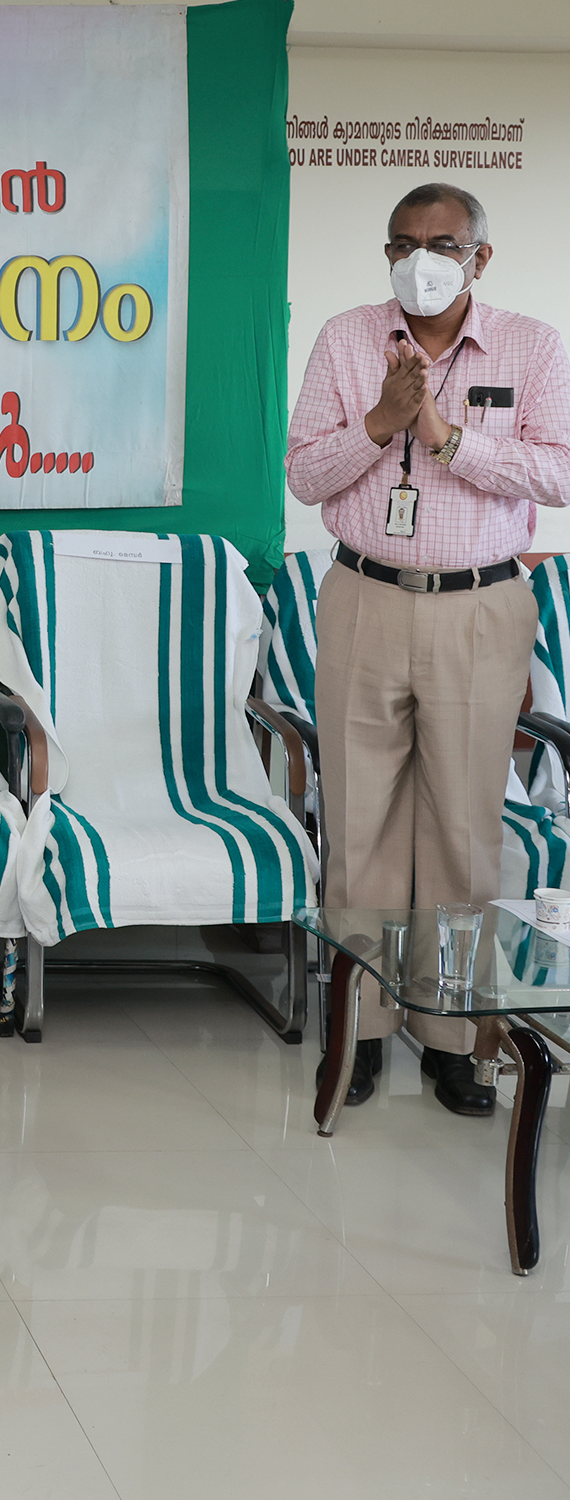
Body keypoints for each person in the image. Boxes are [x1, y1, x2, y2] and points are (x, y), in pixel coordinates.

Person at [289, 183, 570, 1115]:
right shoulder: (346, 339)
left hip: (479, 606)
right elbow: (305, 474)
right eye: (404, 242)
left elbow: (560, 471)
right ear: (386, 253)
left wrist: (450, 441)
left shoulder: (532, 346)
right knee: (358, 825)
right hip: (365, 596)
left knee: (461, 831)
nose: (422, 259)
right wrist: (380, 422)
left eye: (443, 244)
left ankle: (454, 1038)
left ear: (479, 258)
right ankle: (361, 1027)